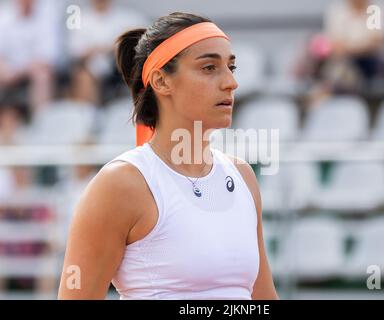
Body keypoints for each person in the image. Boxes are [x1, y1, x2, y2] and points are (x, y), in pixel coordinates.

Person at [58, 12, 279, 300]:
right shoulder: (121, 184)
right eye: (210, 67)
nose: (230, 82)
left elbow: (263, 298)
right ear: (161, 82)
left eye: (231, 67)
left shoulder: (243, 176)